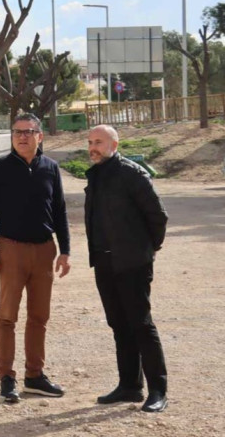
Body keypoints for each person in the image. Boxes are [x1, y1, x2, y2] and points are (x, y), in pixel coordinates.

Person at [0, 112, 71, 403]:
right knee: (7, 316)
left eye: (28, 131)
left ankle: (35, 376)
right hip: (11, 250)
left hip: (45, 250)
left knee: (39, 316)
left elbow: (60, 211)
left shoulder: (51, 168)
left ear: (39, 136)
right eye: (17, 131)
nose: (22, 136)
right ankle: (7, 378)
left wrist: (65, 250)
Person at [85, 124, 169, 413]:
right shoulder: (95, 174)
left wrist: (148, 250)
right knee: (119, 324)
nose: (93, 147)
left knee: (141, 325)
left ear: (114, 145)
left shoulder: (132, 174)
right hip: (105, 262)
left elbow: (157, 216)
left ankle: (158, 390)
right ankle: (130, 386)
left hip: (132, 262)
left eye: (99, 142)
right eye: (90, 142)